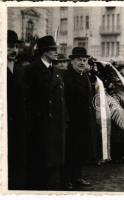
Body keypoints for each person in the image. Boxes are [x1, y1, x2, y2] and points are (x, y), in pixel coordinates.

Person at [24, 35, 66, 190]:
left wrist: (64, 118)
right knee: (39, 161)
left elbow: (61, 99)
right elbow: (27, 99)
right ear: (44, 52)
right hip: (39, 124)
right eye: (53, 49)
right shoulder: (31, 70)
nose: (56, 52)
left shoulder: (56, 71)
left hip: (56, 123)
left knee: (53, 162)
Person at [63, 47, 97, 190]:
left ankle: (77, 176)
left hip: (84, 120)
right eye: (79, 60)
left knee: (80, 150)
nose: (82, 62)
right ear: (72, 61)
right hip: (71, 121)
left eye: (84, 60)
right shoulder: (66, 76)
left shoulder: (86, 76)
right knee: (69, 151)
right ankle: (66, 179)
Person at [7, 30, 28, 190]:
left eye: (15, 46)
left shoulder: (20, 69)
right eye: (8, 46)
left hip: (18, 122)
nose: (13, 50)